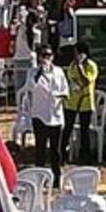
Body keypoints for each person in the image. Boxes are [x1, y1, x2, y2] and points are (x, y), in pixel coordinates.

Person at [26, 44, 69, 182]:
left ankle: (57, 178)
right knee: (40, 149)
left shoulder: (59, 72)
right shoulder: (32, 72)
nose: (46, 58)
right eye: (43, 55)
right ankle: (39, 178)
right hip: (39, 115)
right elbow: (30, 88)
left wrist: (58, 97)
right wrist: (39, 73)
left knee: (55, 150)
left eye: (48, 55)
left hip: (55, 115)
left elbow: (65, 91)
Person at [62, 41, 99, 165]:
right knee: (68, 127)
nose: (75, 55)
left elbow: (86, 81)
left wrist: (80, 66)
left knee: (84, 130)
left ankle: (85, 156)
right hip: (72, 101)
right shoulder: (72, 65)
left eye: (78, 53)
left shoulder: (91, 66)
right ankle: (62, 154)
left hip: (86, 102)